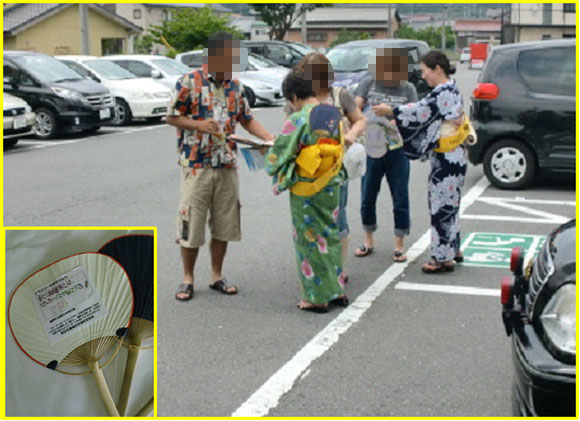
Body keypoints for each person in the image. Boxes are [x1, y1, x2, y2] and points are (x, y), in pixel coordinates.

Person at [167, 32, 275, 300]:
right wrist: (197, 125)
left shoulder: (235, 87)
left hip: (226, 163)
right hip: (196, 164)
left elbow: (247, 119)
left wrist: (268, 138)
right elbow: (171, 117)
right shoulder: (189, 82)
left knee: (225, 222)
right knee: (191, 222)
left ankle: (217, 275)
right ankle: (187, 278)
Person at [376, 50, 467, 273]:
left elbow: (420, 111)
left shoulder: (443, 92)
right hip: (455, 154)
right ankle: (452, 247)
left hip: (447, 156)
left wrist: (392, 111)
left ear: (437, 69)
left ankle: (442, 257)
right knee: (450, 202)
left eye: (425, 70)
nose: (423, 75)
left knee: (441, 205)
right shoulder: (451, 89)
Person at [266, 70, 348, 313]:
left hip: (307, 187)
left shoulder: (298, 119)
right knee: (329, 235)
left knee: (309, 240)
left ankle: (316, 297)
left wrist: (268, 152)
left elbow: (282, 152)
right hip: (331, 182)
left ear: (293, 96)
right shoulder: (333, 114)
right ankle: (336, 290)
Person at [284, 53, 366, 283]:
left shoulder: (339, 95)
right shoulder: (298, 96)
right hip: (307, 169)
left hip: (335, 166)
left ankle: (338, 267)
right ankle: (319, 265)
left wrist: (350, 135)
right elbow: (289, 130)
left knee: (336, 213)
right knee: (310, 217)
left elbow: (360, 119)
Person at [353, 47, 417, 263]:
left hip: (398, 149)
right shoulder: (368, 82)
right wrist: (362, 116)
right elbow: (355, 109)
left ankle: (399, 245)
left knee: (400, 196)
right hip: (371, 147)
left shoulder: (408, 89)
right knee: (367, 195)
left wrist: (392, 114)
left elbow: (415, 116)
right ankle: (368, 239)